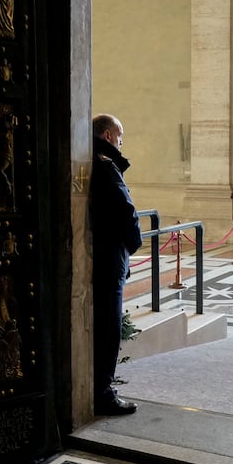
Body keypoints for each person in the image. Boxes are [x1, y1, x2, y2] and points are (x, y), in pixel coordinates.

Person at [90, 113, 143, 415]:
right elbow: (126, 211)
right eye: (120, 135)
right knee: (109, 328)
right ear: (108, 136)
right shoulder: (105, 165)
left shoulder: (88, 159)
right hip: (109, 257)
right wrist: (133, 244)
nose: (122, 142)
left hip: (99, 253)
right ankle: (103, 394)